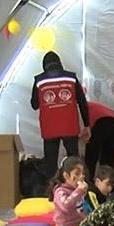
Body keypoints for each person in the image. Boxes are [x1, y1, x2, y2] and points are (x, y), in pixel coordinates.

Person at [31, 51, 89, 182]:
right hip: (70, 126)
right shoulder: (71, 78)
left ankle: (52, 193)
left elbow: (34, 105)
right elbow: (82, 102)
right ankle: (77, 188)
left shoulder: (39, 80)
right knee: (74, 160)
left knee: (50, 162)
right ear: (60, 63)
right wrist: (87, 125)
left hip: (49, 127)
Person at [81, 101, 114, 182]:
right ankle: (108, 186)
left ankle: (88, 184)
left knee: (91, 158)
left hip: (99, 123)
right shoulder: (88, 104)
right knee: (108, 160)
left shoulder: (78, 107)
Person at [51, 157, 88, 226]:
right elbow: (66, 206)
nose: (81, 177)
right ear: (66, 176)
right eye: (77, 174)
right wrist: (79, 191)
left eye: (83, 173)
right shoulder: (60, 191)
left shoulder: (76, 190)